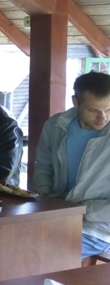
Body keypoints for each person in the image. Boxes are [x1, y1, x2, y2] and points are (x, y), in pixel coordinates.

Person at [32, 72, 110, 263]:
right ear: (75, 102)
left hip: (100, 227)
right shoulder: (56, 125)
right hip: (57, 213)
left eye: (109, 109)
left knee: (42, 256)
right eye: (93, 110)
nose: (102, 118)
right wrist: (42, 196)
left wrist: (81, 210)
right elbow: (44, 165)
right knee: (6, 240)